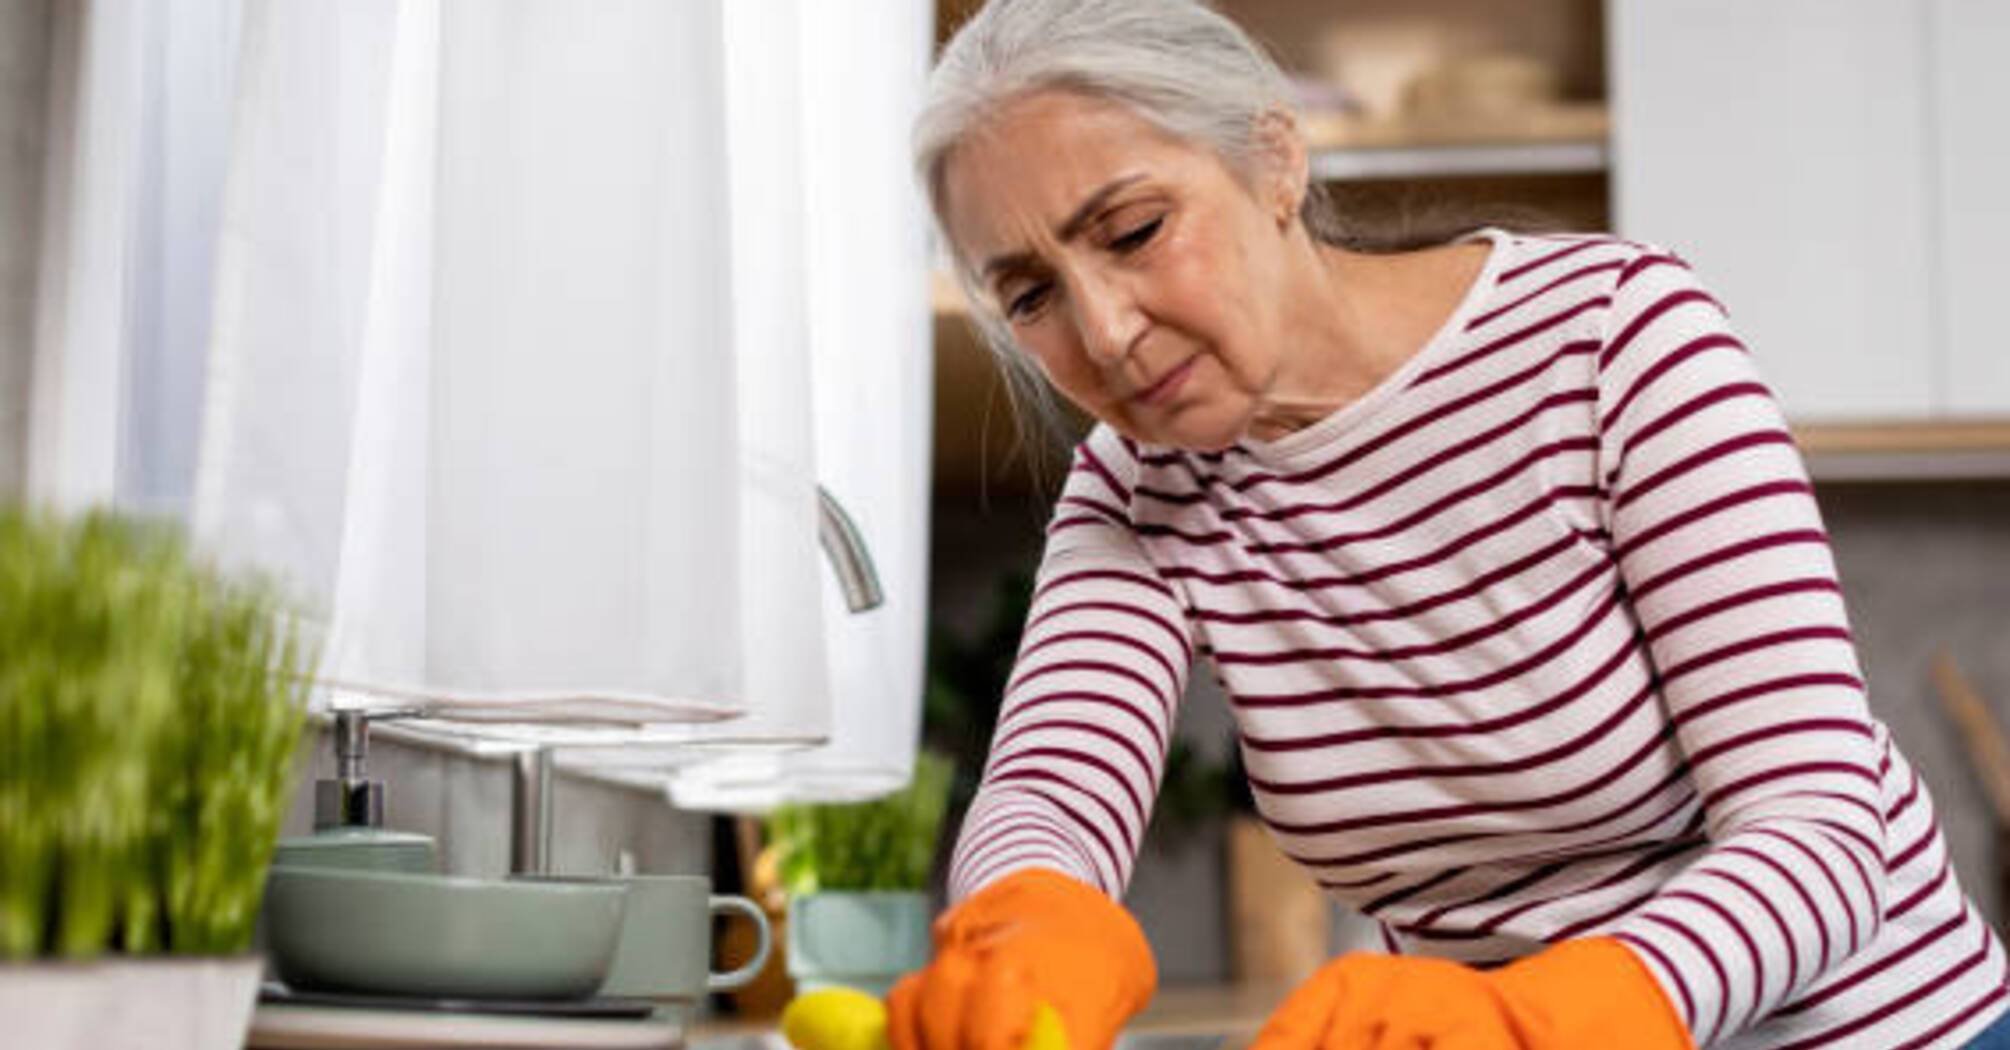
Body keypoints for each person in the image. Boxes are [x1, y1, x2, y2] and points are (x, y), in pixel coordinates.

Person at [887, 1, 2010, 1048]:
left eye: (1133, 231)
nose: (1107, 329)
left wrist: (1547, 1016)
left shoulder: (1617, 340)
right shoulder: (1141, 491)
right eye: (1031, 296)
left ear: (1274, 159)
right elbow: (1049, 794)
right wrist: (1023, 918)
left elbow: (1815, 826)